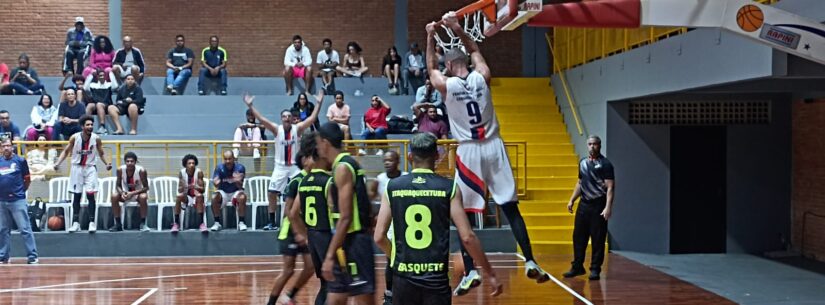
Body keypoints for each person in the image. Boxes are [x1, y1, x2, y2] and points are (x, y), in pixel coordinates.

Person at [426, 12, 550, 296]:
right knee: (510, 207)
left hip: (469, 152)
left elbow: (430, 66)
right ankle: (530, 260)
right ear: (466, 62)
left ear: (448, 65)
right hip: (494, 146)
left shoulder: (446, 84)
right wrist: (458, 29)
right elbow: (475, 49)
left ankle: (470, 272)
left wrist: (431, 35)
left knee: (465, 216)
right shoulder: (483, 76)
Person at [374, 133, 502, 305]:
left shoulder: (393, 186)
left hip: (403, 280)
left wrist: (397, 260)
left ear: (410, 156)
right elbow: (467, 237)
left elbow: (379, 237)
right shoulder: (449, 188)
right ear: (436, 155)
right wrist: (490, 273)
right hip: (436, 280)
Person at [242, 90, 324, 230]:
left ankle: (302, 218)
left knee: (303, 190)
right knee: (272, 193)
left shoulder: (297, 129)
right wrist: (250, 106)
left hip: (294, 167)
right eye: (284, 116)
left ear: (292, 119)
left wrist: (319, 102)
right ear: (281, 119)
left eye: (288, 116)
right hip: (280, 167)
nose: (286, 118)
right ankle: (272, 221)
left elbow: (311, 118)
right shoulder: (276, 129)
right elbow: (261, 119)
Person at [315, 122, 375, 305]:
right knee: (335, 296)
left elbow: (346, 217)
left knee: (364, 300)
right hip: (348, 241)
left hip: (354, 241)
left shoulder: (342, 168)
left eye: (318, 143)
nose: (317, 148)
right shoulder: (348, 164)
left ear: (325, 142)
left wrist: (329, 255)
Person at [288, 132, 333, 305]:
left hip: (313, 237)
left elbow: (292, 214)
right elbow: (333, 210)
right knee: (334, 284)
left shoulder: (304, 181)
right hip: (327, 235)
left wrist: (305, 235)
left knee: (324, 283)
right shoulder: (328, 181)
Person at [267, 149, 315, 305]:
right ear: (304, 160)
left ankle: (290, 295)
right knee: (288, 270)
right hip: (290, 232)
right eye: (311, 157)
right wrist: (298, 232)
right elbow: (288, 210)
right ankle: (271, 302)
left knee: (310, 266)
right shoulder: (296, 181)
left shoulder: (313, 179)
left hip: (305, 231)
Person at [564, 135, 615, 280]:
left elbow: (610, 187)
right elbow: (580, 183)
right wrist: (572, 200)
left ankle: (595, 269)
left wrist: (608, 207)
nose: (592, 146)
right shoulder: (583, 163)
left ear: (600, 145)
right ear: (587, 145)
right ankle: (577, 266)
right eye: (590, 144)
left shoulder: (606, 164)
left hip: (598, 205)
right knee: (578, 237)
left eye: (595, 144)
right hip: (584, 205)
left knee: (598, 239)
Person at [54, 115, 113, 233]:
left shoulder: (96, 138)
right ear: (82, 126)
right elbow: (66, 151)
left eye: (91, 124)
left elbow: (101, 153)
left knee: (90, 195)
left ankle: (92, 222)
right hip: (77, 168)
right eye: (88, 125)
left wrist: (107, 163)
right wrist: (58, 163)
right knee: (77, 196)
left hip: (90, 168)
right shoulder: (74, 138)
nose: (90, 126)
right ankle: (76, 223)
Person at [367, 150, 407, 305]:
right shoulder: (380, 179)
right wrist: (375, 216)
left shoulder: (405, 177)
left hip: (404, 221)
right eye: (385, 160)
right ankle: (389, 293)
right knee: (391, 258)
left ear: (398, 161)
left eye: (390, 160)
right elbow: (371, 197)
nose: (387, 163)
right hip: (389, 223)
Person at [0, 137, 38, 264]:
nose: (6, 148)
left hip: (18, 200)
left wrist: (21, 192)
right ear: (1, 148)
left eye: (8, 145)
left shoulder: (20, 161)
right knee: (3, 230)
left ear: (12, 147)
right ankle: (3, 256)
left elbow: (27, 179)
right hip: (2, 201)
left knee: (25, 229)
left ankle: (32, 256)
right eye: (3, 146)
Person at [109, 152, 150, 232]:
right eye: (127, 161)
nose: (129, 163)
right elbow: (117, 185)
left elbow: (146, 188)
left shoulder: (141, 171)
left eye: (132, 161)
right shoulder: (120, 170)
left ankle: (143, 224)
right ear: (125, 162)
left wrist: (132, 193)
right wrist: (122, 193)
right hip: (125, 194)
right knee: (114, 196)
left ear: (135, 162)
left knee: (143, 197)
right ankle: (118, 224)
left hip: (137, 194)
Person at [210, 150, 247, 231]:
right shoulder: (219, 167)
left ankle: (241, 222)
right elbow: (216, 184)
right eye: (226, 159)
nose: (227, 161)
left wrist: (237, 180)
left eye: (229, 159)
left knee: (242, 197)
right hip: (223, 192)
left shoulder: (240, 167)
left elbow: (240, 186)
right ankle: (217, 223)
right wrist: (216, 182)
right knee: (214, 197)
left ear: (233, 159)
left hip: (235, 192)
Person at [172, 154, 207, 233]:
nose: (191, 165)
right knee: (178, 196)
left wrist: (195, 186)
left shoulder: (199, 172)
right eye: (189, 163)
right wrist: (184, 187)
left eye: (193, 163)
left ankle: (201, 223)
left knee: (199, 196)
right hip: (187, 197)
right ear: (185, 165)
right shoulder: (182, 172)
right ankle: (176, 223)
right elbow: (179, 190)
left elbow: (203, 190)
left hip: (196, 197)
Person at [83, 69, 118, 135]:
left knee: (99, 104)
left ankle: (103, 127)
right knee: (90, 105)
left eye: (103, 75)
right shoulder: (93, 85)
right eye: (100, 75)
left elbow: (115, 86)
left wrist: (110, 73)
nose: (102, 77)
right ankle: (86, 125)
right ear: (97, 77)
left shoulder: (109, 84)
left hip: (107, 105)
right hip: (96, 105)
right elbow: (85, 88)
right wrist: (91, 75)